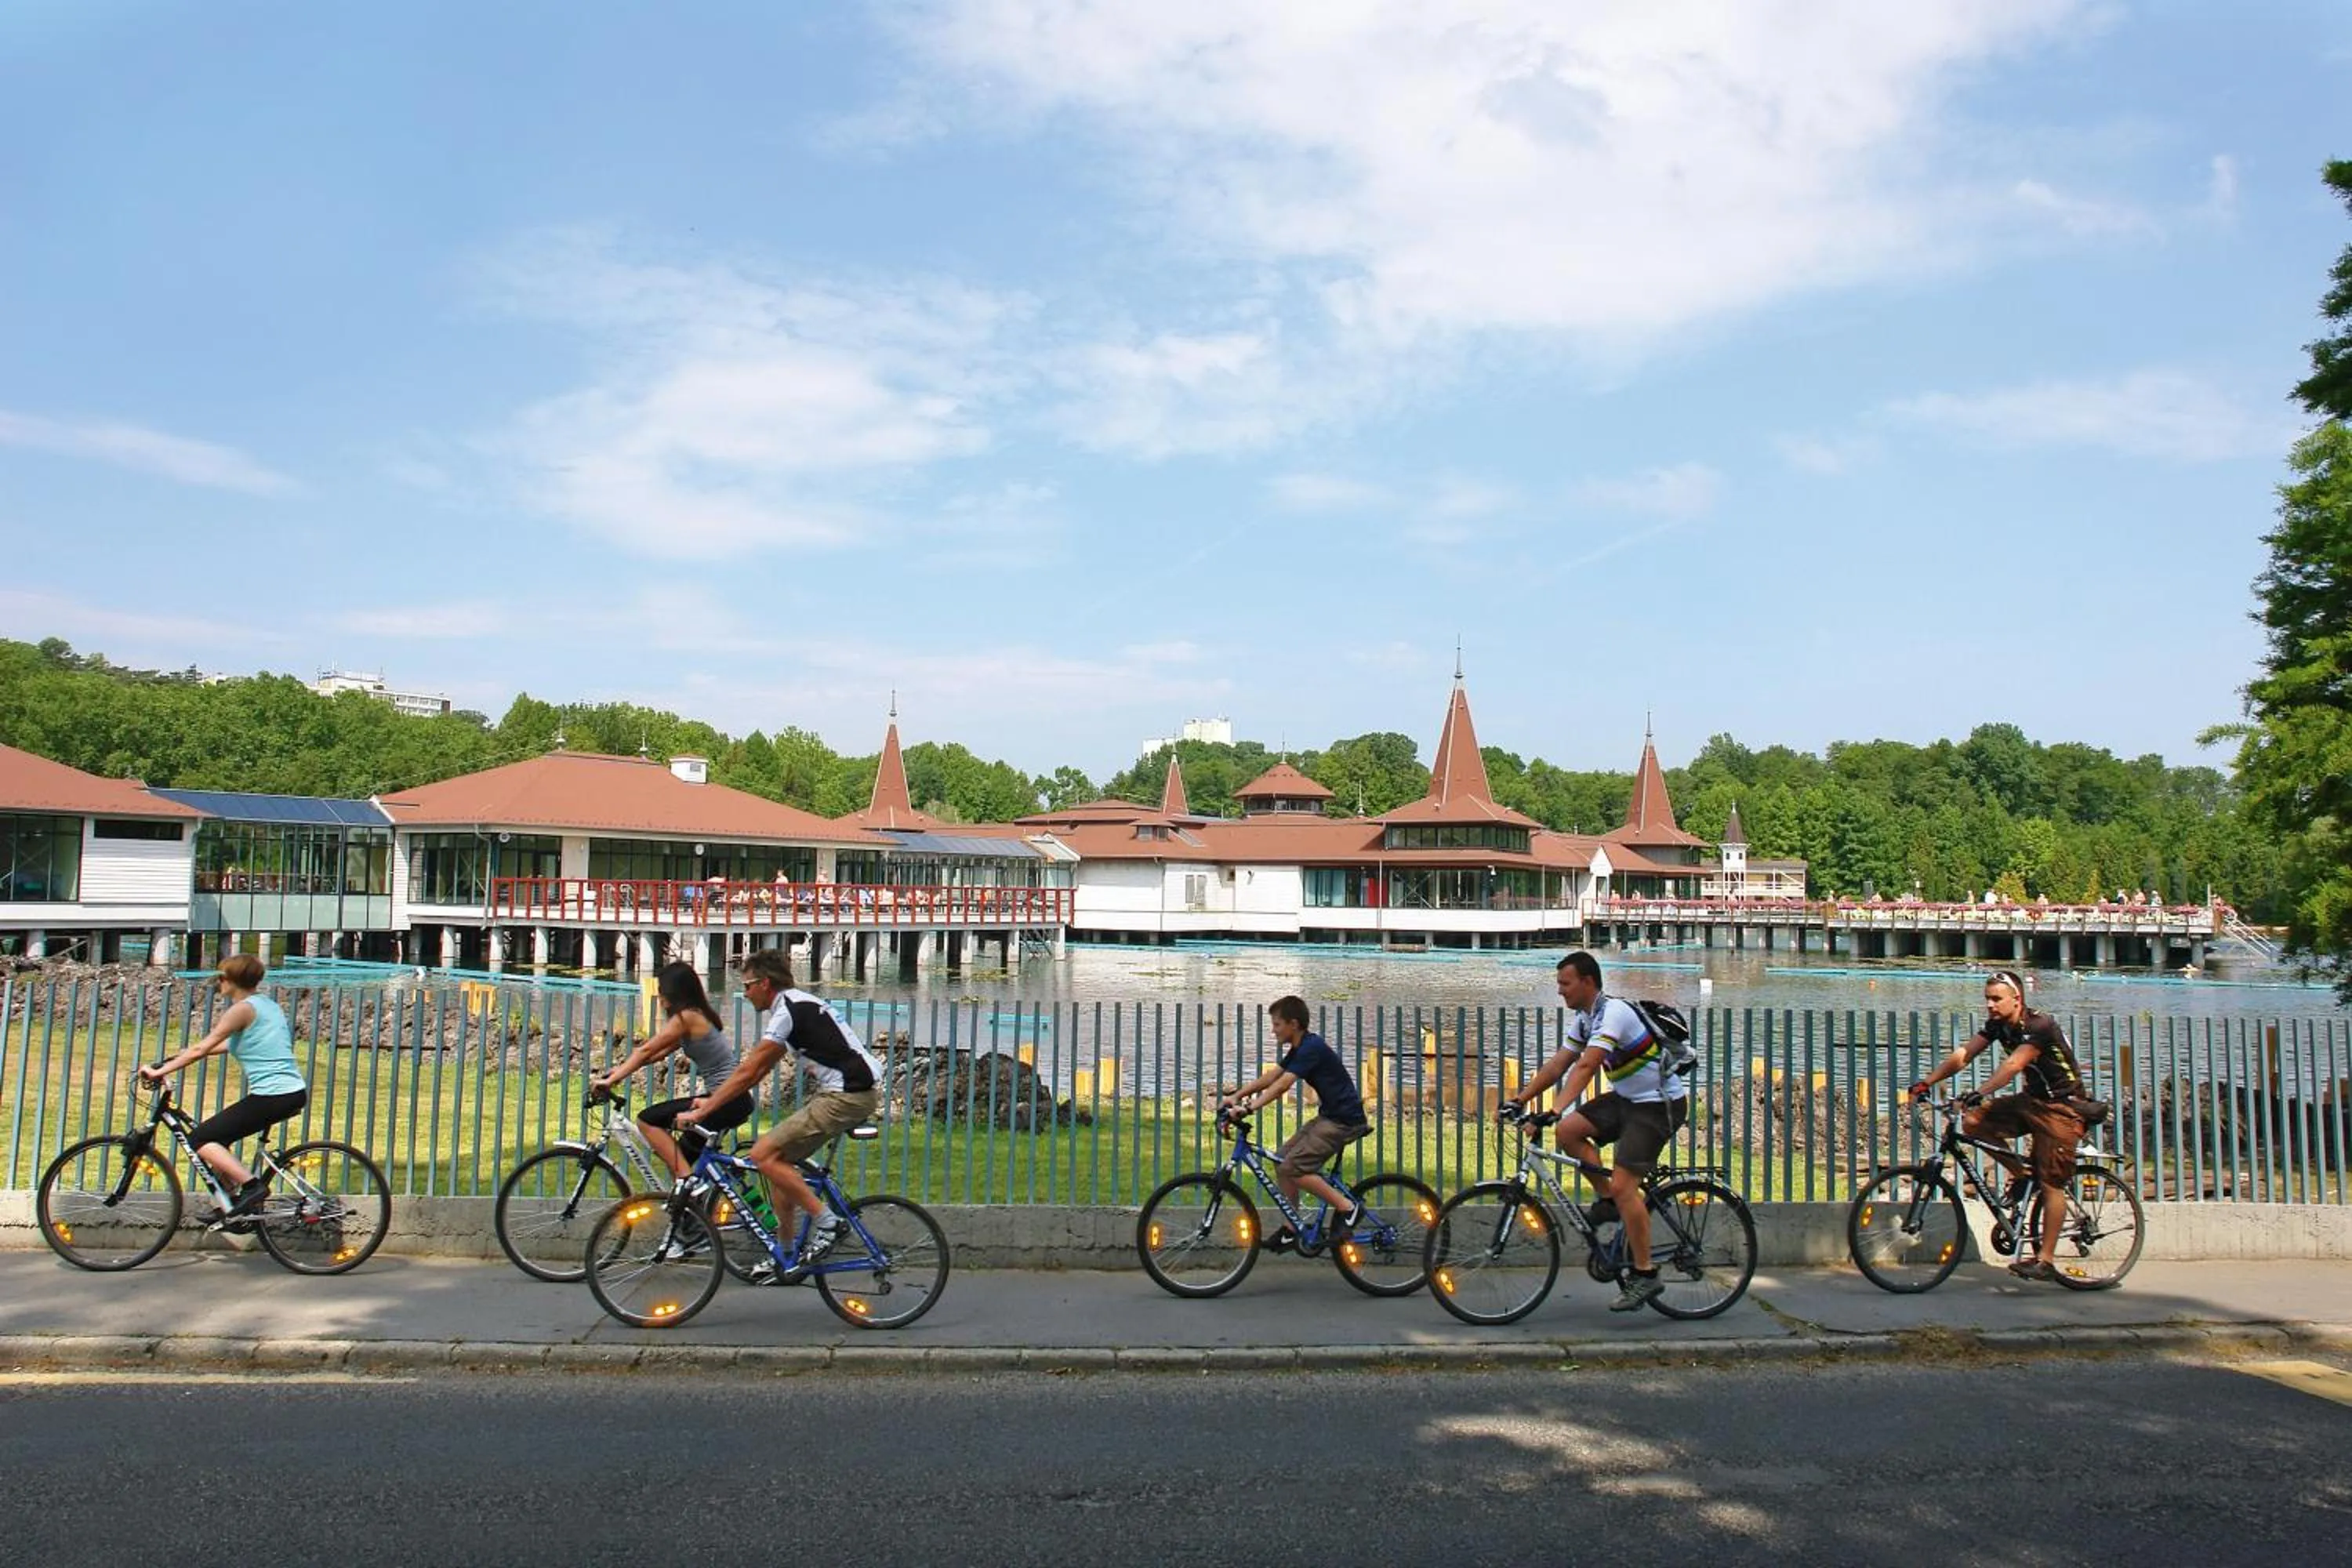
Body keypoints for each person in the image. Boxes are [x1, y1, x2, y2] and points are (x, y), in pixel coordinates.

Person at [1503, 951, 1690, 1312]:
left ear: (1588, 982)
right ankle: (1610, 1202)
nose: (1560, 991)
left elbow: (1588, 1064)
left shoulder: (1614, 1014)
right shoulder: (1586, 1019)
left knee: (1625, 1186)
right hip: (1627, 1098)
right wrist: (1520, 1099)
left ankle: (1645, 1274)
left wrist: (1555, 1110)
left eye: (1565, 983)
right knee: (1569, 1132)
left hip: (1657, 1106)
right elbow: (1560, 1063)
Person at [681, 949, 880, 1269]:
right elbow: (758, 1071)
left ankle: (829, 1223)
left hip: (846, 1096)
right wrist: (714, 1100)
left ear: (765, 984)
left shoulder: (787, 1010)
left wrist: (704, 1113)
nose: (744, 994)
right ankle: (786, 1255)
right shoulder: (796, 1006)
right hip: (849, 1092)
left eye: (747, 986)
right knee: (777, 1165)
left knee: (761, 1155)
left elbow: (749, 1071)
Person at [1906, 969, 2091, 1283]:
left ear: (2017, 999)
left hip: (2063, 1108)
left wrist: (1979, 1092)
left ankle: (2044, 1260)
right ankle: (2021, 1174)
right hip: (2031, 1101)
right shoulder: (1999, 1026)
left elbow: (2013, 1065)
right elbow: (1964, 1055)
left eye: (1996, 999)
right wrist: (1926, 1082)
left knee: (2051, 1183)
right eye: (1987, 999)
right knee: (1974, 1121)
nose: (1990, 1005)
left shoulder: (2040, 1026)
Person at [135, 953, 307, 1221]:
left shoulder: (241, 1010)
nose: (219, 983)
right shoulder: (266, 1006)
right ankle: (231, 1203)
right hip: (289, 1092)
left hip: (273, 1095)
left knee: (200, 1139)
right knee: (219, 1138)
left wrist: (159, 1071)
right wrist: (180, 1055)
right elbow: (231, 1044)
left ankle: (252, 1187)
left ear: (232, 980)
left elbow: (203, 1047)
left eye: (221, 978)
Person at [1220, 996, 1369, 1250]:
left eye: (1277, 1024)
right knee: (1282, 1161)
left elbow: (1282, 1086)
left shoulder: (1311, 1048)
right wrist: (1237, 1096)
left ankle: (1349, 1208)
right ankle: (1292, 1229)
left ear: (1294, 1024)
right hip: (1330, 1116)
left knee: (1294, 1167)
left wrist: (1248, 1108)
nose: (1273, 1030)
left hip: (1343, 1121)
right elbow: (1273, 1076)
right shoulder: (1301, 1048)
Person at [590, 960, 752, 1181]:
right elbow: (657, 1054)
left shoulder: (686, 1018)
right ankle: (692, 1203)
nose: (661, 1000)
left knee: (648, 1120)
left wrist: (612, 1081)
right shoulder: (696, 1016)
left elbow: (646, 1050)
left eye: (663, 993)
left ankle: (686, 1188)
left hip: (725, 1101)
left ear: (676, 993)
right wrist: (618, 1071)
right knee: (679, 1157)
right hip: (731, 1100)